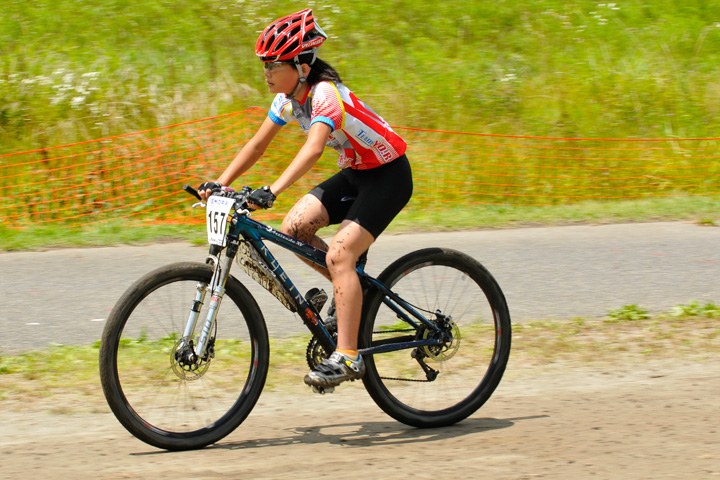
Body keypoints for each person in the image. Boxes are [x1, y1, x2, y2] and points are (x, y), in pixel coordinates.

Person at [197, 8, 413, 390]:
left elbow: (314, 148)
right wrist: (221, 182)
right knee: (295, 228)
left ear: (300, 65)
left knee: (340, 255)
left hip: (389, 176)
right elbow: (258, 143)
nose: (265, 72)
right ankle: (352, 294)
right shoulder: (286, 98)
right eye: (263, 64)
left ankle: (347, 356)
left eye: (273, 64)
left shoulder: (325, 95)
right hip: (357, 173)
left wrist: (273, 191)